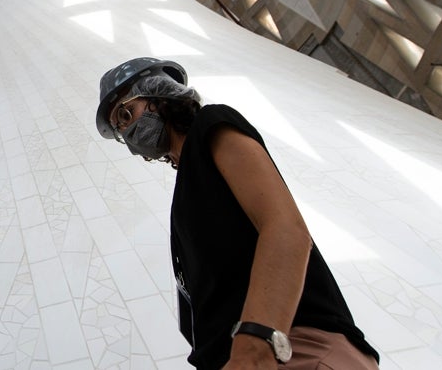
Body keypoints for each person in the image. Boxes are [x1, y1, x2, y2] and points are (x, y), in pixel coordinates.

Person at [95, 58, 380, 370]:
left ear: (161, 95)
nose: (130, 133)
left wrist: (254, 345)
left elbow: (285, 228)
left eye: (126, 114)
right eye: (121, 130)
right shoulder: (186, 194)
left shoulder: (211, 124)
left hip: (294, 350)